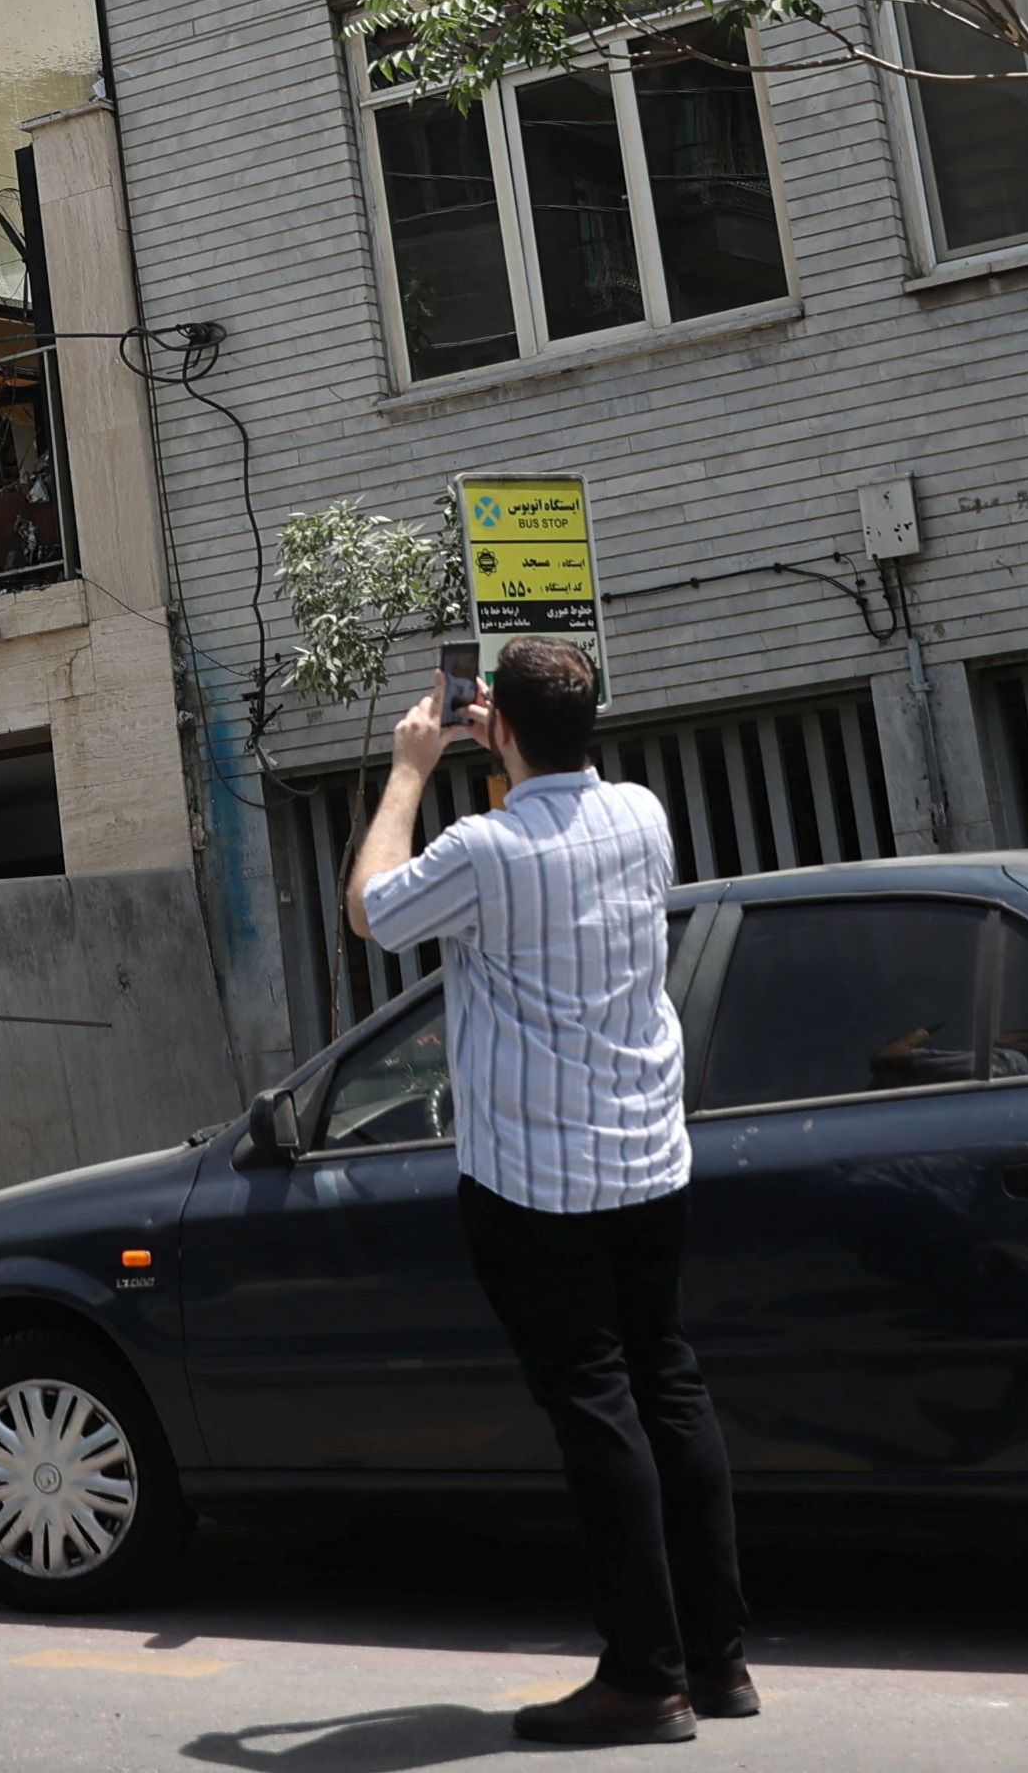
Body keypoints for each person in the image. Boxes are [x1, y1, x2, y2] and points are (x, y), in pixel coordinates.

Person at [349, 636, 748, 1745]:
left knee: (595, 1409)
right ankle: (716, 1661)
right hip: (647, 1158)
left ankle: (643, 1675)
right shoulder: (643, 818)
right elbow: (554, 814)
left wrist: (410, 770)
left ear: (498, 726)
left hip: (538, 1180)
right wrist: (512, 751)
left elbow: (371, 909)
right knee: (669, 1387)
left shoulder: (484, 847)